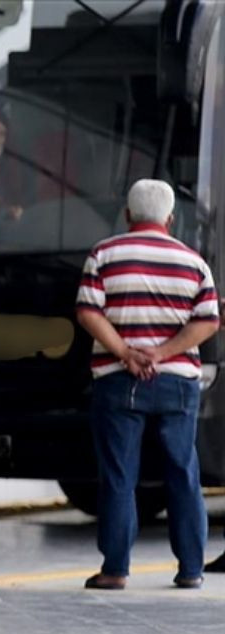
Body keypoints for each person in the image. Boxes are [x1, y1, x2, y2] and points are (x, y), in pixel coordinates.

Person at [75, 179, 219, 590]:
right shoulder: (193, 262)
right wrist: (164, 352)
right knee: (183, 472)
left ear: (127, 214)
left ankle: (115, 569)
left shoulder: (104, 254)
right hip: (177, 384)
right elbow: (208, 321)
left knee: (120, 475)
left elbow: (88, 312)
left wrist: (125, 352)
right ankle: (191, 569)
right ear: (171, 218)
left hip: (118, 380)